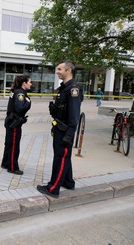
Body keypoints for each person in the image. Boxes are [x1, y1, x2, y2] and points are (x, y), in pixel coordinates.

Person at [37, 60, 83, 198]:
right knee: (64, 156)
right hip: (59, 127)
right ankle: (68, 182)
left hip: (65, 130)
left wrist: (69, 134)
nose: (57, 72)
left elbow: (74, 115)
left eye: (59, 69)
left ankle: (53, 188)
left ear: (68, 70)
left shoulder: (73, 89)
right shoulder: (64, 88)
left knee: (60, 157)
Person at [1, 75, 32, 175]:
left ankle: (6, 163)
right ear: (24, 83)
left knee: (9, 144)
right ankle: (13, 167)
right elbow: (19, 108)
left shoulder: (16, 91)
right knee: (14, 145)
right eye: (29, 82)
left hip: (11, 121)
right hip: (14, 122)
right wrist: (28, 102)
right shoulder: (20, 94)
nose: (31, 84)